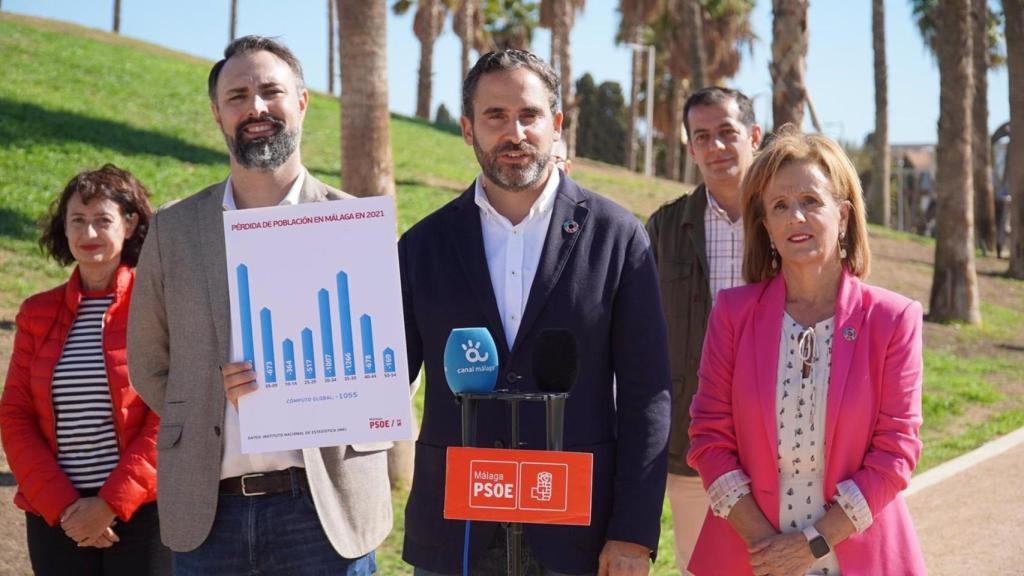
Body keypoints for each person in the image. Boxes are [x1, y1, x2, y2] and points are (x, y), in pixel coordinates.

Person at [400, 49, 671, 576]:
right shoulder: (422, 245)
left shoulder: (617, 237)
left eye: (529, 115)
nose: (514, 132)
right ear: (467, 129)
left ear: (557, 124)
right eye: (495, 116)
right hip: (457, 534)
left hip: (578, 538)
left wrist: (633, 533)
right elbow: (382, 377)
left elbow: (648, 396)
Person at [127, 36, 390, 575]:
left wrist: (323, 388)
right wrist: (210, 394)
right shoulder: (175, 231)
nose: (256, 107)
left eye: (271, 91)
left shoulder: (356, 225)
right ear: (218, 113)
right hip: (209, 513)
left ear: (302, 101)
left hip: (326, 511)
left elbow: (395, 363)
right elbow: (149, 363)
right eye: (238, 95)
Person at [687, 128, 926, 575]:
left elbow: (895, 453)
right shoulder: (732, 314)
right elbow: (708, 438)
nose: (795, 217)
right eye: (780, 206)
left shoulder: (894, 320)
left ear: (844, 214)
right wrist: (768, 548)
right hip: (749, 555)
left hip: (856, 555)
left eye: (811, 201)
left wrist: (810, 546)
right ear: (766, 226)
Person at [1, 165, 170, 575]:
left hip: (144, 515)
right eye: (78, 220)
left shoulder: (158, 305)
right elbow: (15, 416)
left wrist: (110, 504)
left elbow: (169, 412)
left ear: (130, 225)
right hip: (56, 517)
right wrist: (66, 507)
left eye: (102, 220)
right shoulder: (36, 313)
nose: (89, 233)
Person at [645, 86, 761, 575]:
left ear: (754, 136)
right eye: (703, 136)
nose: (716, 147)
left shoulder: (789, 219)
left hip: (781, 439)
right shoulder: (664, 228)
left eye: (727, 133)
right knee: (703, 567)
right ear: (691, 148)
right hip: (693, 445)